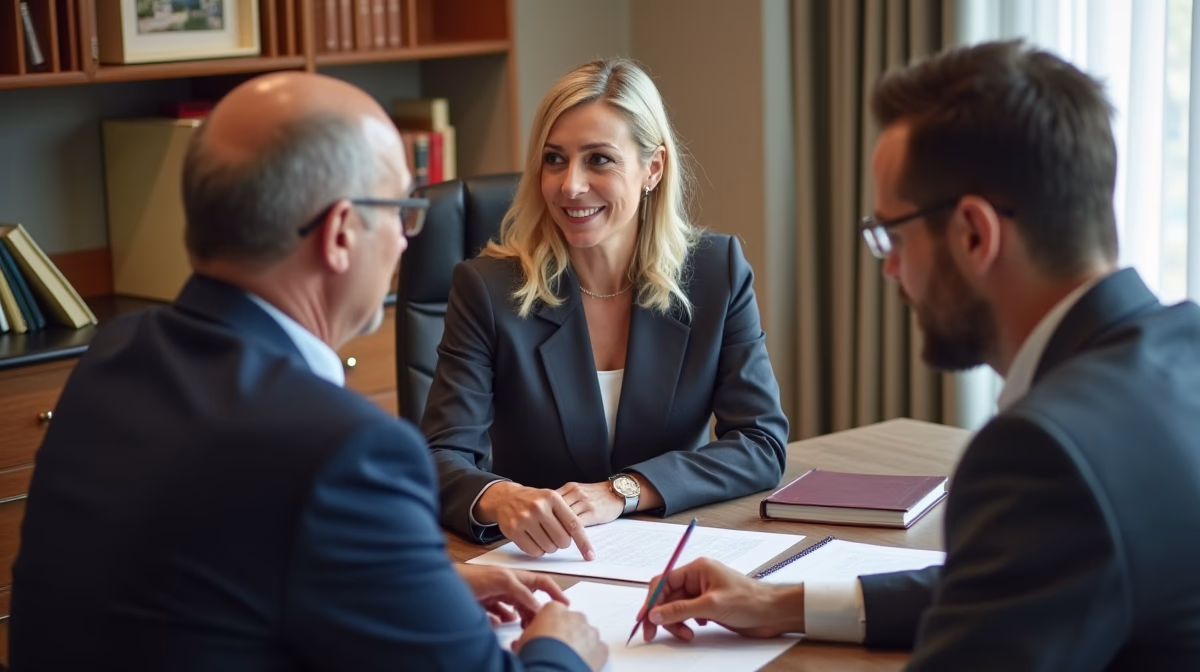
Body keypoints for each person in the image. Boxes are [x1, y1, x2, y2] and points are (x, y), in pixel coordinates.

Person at [10, 71, 606, 672]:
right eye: (401, 212)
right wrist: (562, 646)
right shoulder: (346, 449)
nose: (405, 243)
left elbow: (205, 577)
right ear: (341, 233)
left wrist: (419, 586)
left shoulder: (113, 357)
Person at [637, 40, 1200, 669]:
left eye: (891, 235)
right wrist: (779, 603)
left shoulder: (1044, 453)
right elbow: (1012, 583)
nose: (890, 270)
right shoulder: (1185, 350)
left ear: (974, 234)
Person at [423, 58, 789, 556]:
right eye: (555, 159)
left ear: (652, 168)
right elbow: (439, 457)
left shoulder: (715, 273)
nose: (570, 185)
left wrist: (623, 491)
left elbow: (760, 443)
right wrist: (501, 498)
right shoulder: (488, 289)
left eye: (599, 159)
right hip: (539, 560)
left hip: (671, 554)